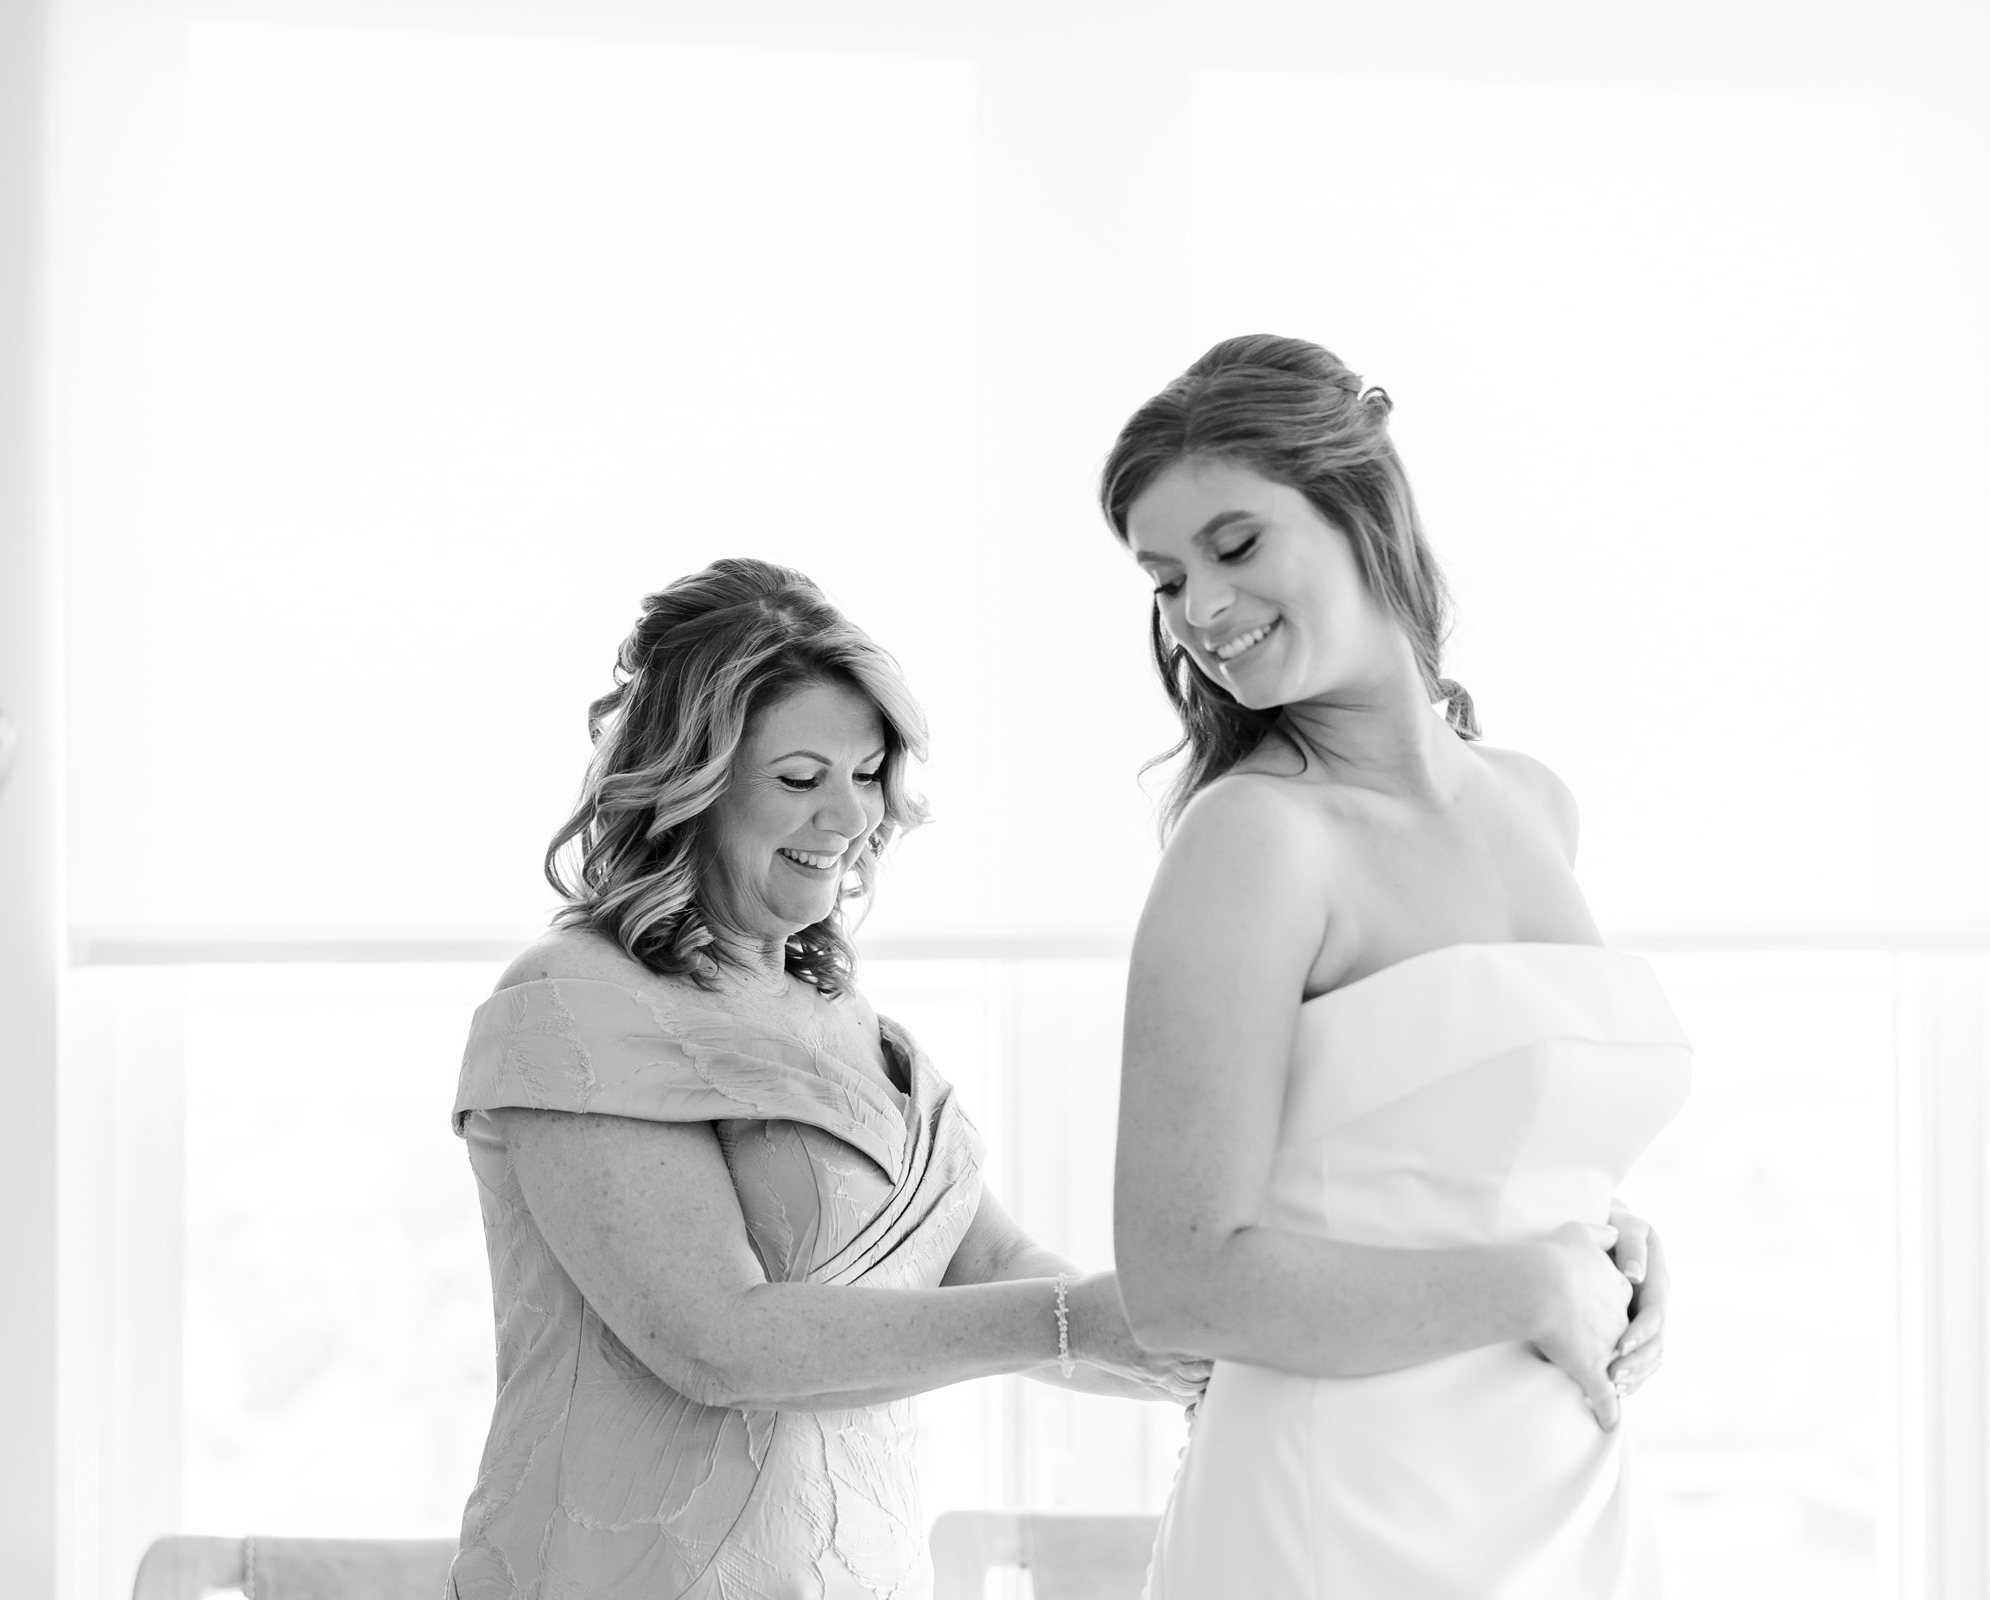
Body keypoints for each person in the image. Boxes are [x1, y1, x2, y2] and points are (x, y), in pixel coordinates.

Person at [446, 558, 1205, 1600]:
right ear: (693, 782)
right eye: (802, 779)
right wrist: (1074, 1320)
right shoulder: (574, 1001)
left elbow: (994, 1268)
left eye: (866, 775)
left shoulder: (855, 1026)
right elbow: (717, 1338)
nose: (847, 818)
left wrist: (1196, 1350)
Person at [1105, 334, 1690, 1598]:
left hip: (1564, 1489)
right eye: (1164, 577)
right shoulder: (1255, 838)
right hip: (1347, 1513)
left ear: (1362, 509)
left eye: (1236, 544)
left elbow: (1450, 1161)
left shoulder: (1536, 803)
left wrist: (1605, 1246)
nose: (1200, 609)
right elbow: (1178, 1278)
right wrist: (1529, 1279)